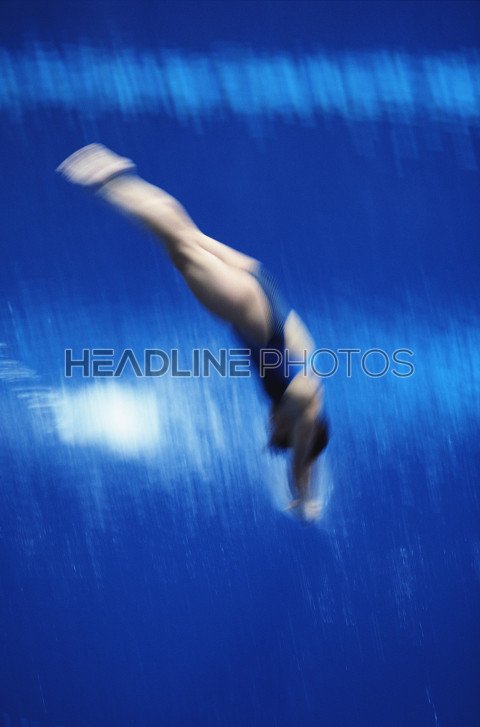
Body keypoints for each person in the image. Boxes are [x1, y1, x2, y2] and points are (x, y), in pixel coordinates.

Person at [57, 144, 329, 521]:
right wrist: (304, 499)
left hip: (262, 287)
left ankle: (119, 180)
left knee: (186, 237)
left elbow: (307, 449)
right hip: (250, 308)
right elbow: (303, 457)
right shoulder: (304, 404)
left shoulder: (306, 372)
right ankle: (111, 181)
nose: (271, 425)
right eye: (277, 433)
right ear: (295, 431)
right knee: (182, 245)